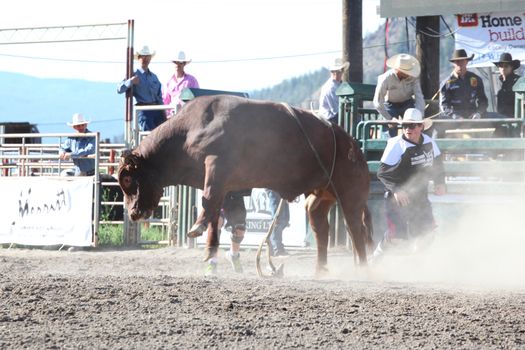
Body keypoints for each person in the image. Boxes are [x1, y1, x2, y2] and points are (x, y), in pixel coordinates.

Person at [371, 108, 446, 260]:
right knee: (397, 238)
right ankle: (375, 259)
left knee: (427, 234)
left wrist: (440, 182)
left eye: (412, 126)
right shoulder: (396, 145)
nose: (407, 129)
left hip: (420, 198)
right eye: (404, 126)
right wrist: (397, 190)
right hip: (398, 199)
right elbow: (383, 172)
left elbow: (437, 164)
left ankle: (412, 263)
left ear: (421, 127)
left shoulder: (429, 142)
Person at [373, 53, 424, 138]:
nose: (409, 74)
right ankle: (387, 145)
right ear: (399, 70)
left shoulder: (413, 79)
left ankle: (413, 142)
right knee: (389, 128)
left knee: (412, 126)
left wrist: (419, 115)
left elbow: (419, 97)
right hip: (390, 105)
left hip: (408, 103)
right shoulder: (386, 78)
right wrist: (389, 118)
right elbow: (377, 101)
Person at [117, 45, 165, 131]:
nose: (145, 59)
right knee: (149, 136)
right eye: (143, 56)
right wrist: (130, 81)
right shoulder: (133, 74)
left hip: (157, 109)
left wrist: (163, 112)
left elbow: (159, 96)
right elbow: (119, 89)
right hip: (144, 110)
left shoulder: (154, 77)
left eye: (147, 56)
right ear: (139, 58)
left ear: (150, 58)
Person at [205, 190, 251, 276]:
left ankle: (233, 255)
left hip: (236, 194)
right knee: (216, 222)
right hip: (219, 193)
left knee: (240, 229)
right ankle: (212, 262)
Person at [439, 49, 488, 120]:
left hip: (473, 116)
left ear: (467, 62)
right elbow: (444, 105)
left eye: (462, 61)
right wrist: (454, 116)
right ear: (453, 63)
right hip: (454, 118)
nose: (460, 64)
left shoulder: (476, 79)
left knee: (496, 121)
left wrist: (478, 113)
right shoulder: (447, 83)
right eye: (457, 62)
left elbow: (483, 101)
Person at [163, 51, 199, 116]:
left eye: (180, 62)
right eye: (175, 62)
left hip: (187, 115)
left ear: (184, 64)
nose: (177, 64)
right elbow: (165, 101)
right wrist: (166, 116)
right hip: (172, 116)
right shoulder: (168, 82)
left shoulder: (192, 80)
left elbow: (197, 99)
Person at [318, 58, 349, 124]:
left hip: (335, 116)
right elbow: (336, 110)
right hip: (329, 119)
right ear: (333, 72)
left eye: (341, 71)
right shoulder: (331, 87)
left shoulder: (339, 85)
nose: (340, 73)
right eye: (340, 70)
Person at [493, 52, 521, 118]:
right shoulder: (499, 82)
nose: (503, 68)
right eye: (501, 66)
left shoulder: (518, 81)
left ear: (511, 67)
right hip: (502, 119)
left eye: (506, 66)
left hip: (516, 119)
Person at [265, 189, 290, 256]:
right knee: (277, 219)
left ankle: (271, 248)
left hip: (281, 188)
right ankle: (277, 249)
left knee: (285, 219)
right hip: (274, 187)